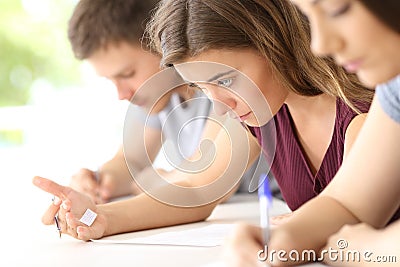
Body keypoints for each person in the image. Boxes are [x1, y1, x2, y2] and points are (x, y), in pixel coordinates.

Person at [32, 0, 265, 240]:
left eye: (126, 74)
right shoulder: (159, 96)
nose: (121, 94)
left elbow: (201, 183)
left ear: (164, 42)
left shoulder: (225, 92)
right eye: (110, 80)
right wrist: (98, 181)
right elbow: (130, 160)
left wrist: (108, 209)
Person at [225, 0, 400, 266]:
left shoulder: (357, 110)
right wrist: (279, 239)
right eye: (307, 16)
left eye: (337, 10)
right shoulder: (394, 89)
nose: (319, 45)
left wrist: (373, 249)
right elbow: (348, 205)